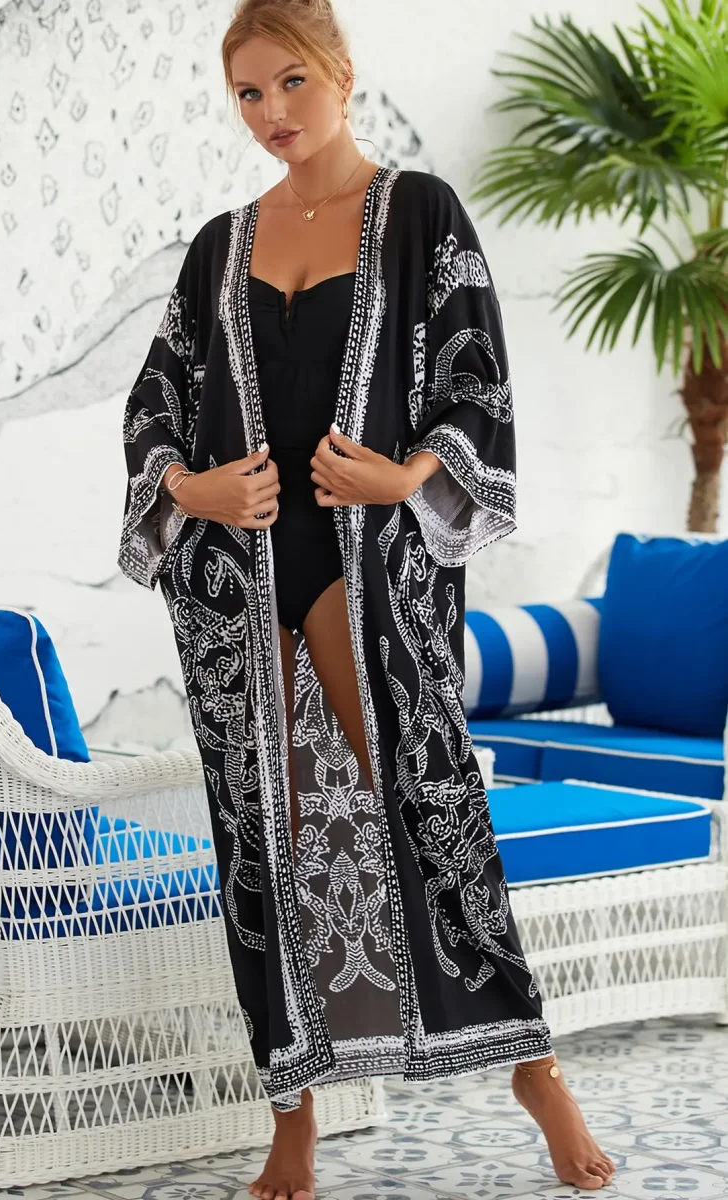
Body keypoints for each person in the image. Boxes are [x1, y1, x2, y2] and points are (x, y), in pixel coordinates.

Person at [117, 1, 617, 1196]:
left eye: (290, 82)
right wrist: (190, 486)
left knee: (430, 799)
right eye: (247, 93)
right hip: (238, 584)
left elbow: (476, 378)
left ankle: (535, 1067)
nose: (271, 112)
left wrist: (404, 477)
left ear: (340, 72)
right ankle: (292, 1114)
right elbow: (155, 402)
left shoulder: (421, 214)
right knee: (261, 842)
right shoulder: (219, 246)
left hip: (372, 570)